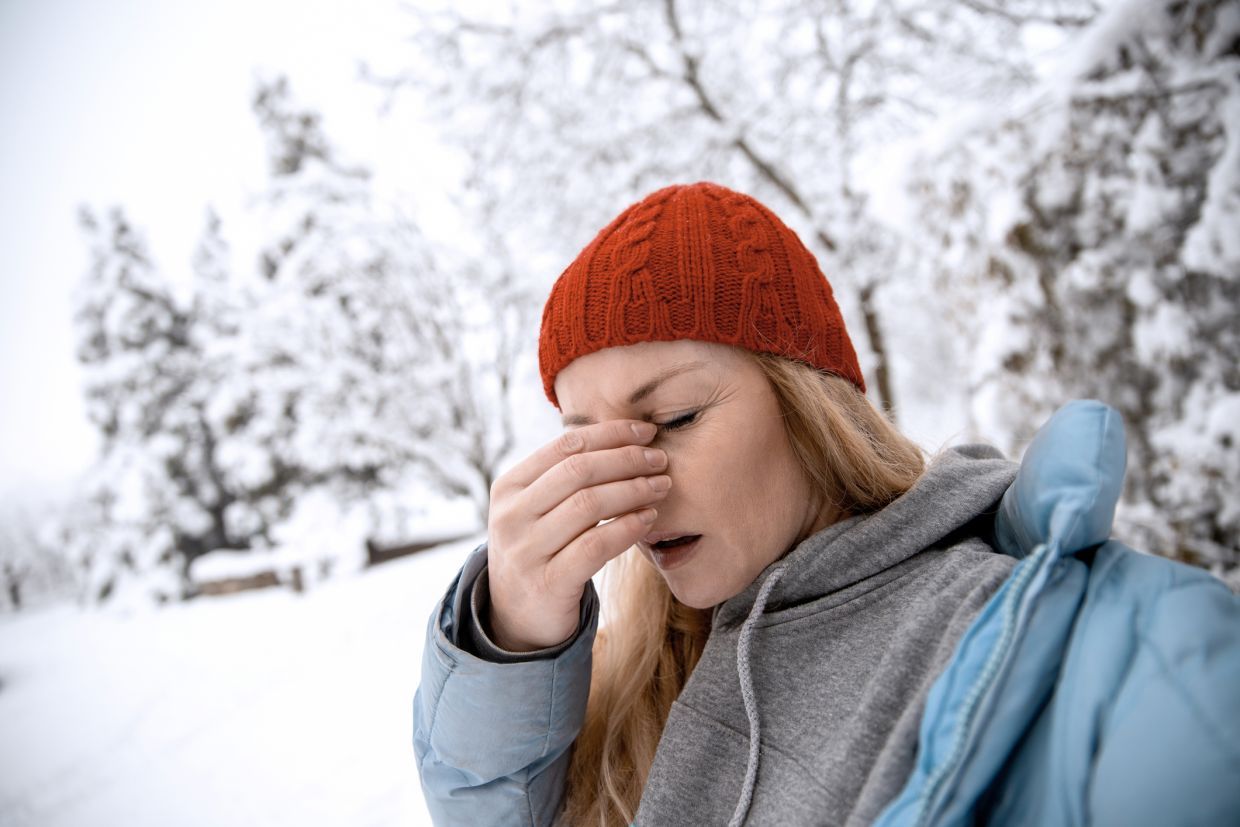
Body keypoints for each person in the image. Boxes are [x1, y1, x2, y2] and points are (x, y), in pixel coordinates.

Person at [413, 181, 1240, 826]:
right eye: (585, 442)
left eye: (673, 418)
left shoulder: (1041, 631)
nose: (630, 485)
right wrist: (513, 637)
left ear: (808, 404)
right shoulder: (646, 669)